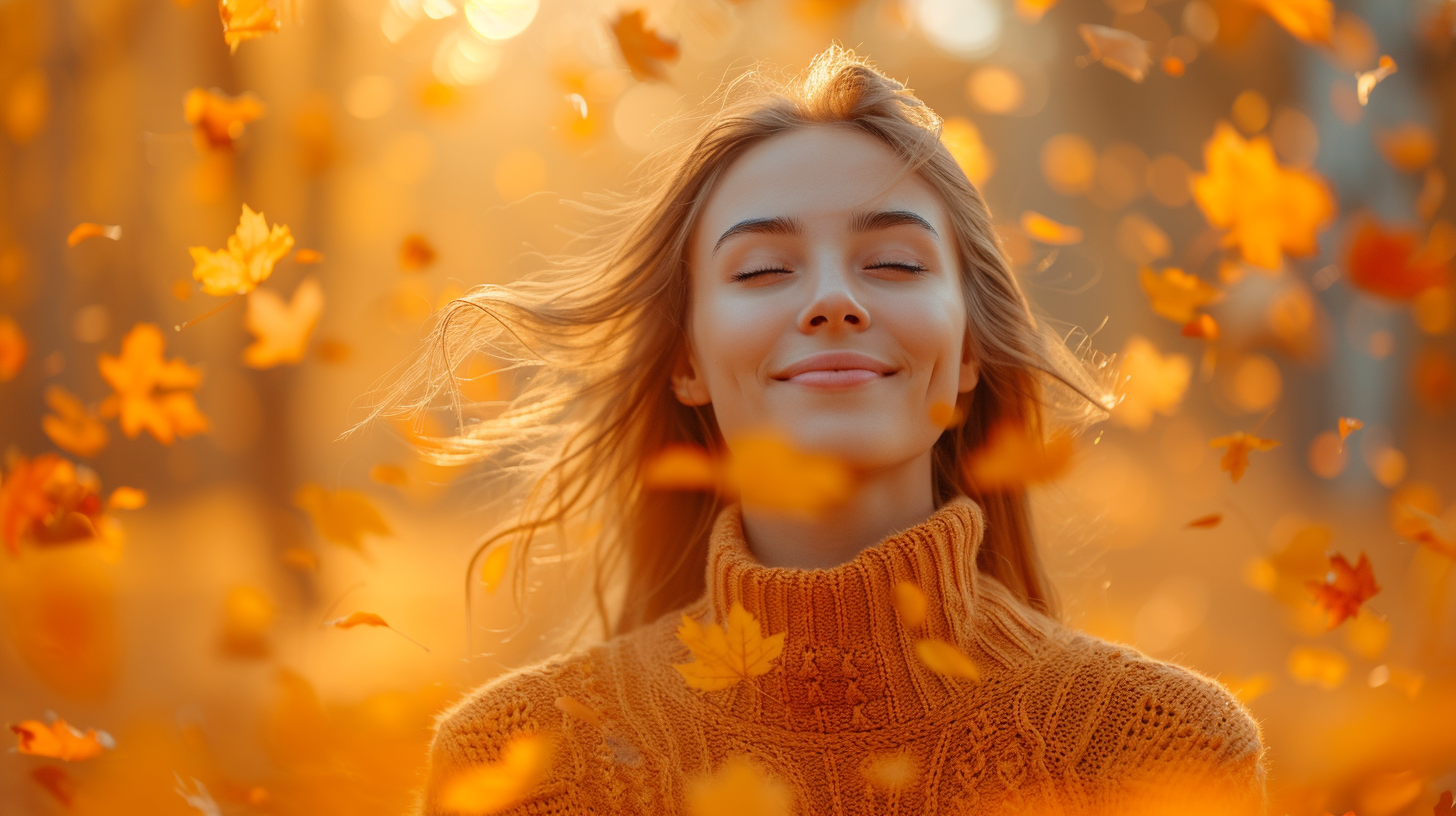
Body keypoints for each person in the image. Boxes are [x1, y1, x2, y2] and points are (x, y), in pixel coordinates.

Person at [377, 45, 1267, 816]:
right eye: (764, 269)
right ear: (686, 362)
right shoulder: (518, 765)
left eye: (892, 262)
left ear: (965, 356)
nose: (833, 300)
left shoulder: (1164, 747)